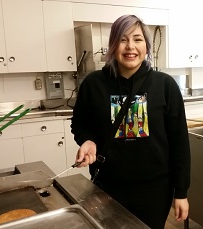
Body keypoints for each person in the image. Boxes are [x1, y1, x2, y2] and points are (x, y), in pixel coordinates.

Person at [70, 15, 190, 229]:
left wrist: (181, 192)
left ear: (147, 46)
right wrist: (86, 140)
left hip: (154, 190)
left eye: (137, 39)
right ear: (113, 45)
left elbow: (179, 143)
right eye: (123, 40)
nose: (130, 47)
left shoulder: (165, 86)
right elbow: (79, 123)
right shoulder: (94, 84)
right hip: (107, 187)